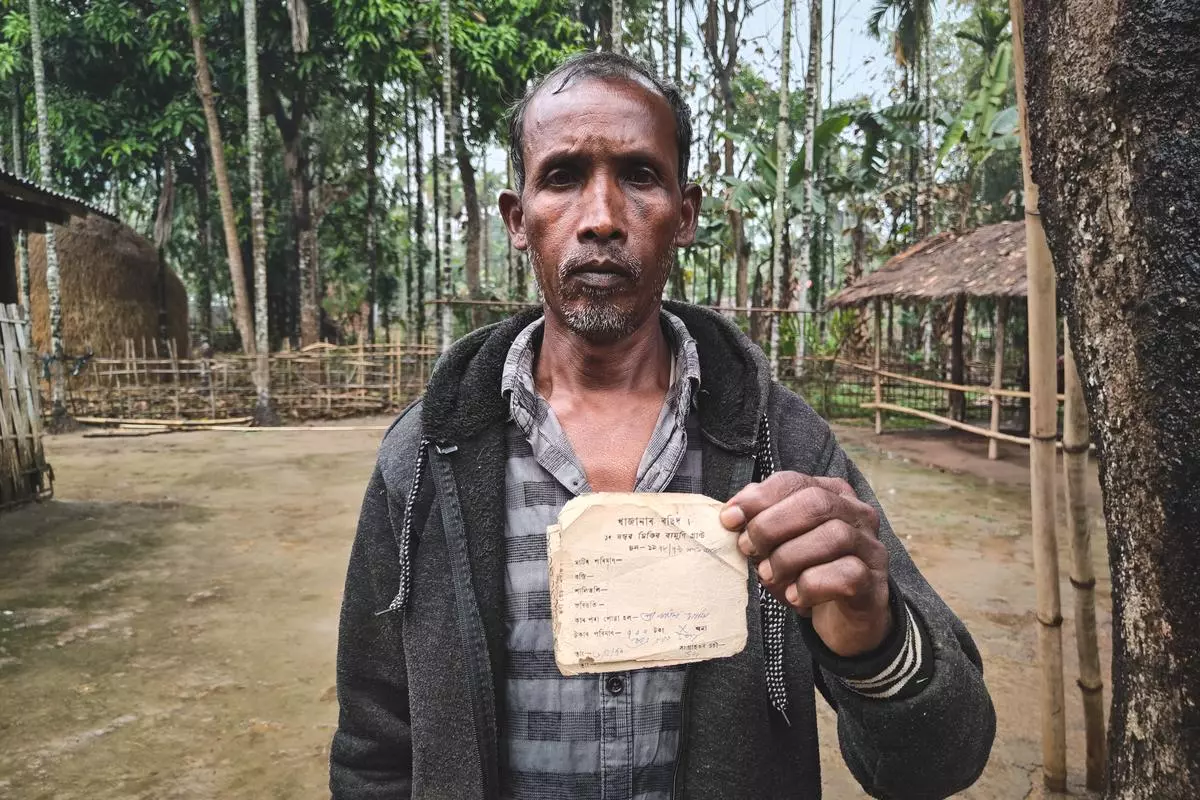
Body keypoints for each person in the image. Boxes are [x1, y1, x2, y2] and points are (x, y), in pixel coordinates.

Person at [330, 52, 995, 800]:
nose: (603, 217)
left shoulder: (785, 447)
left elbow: (942, 762)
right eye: (563, 177)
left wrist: (873, 640)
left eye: (640, 176)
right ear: (519, 220)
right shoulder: (425, 457)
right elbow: (374, 745)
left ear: (685, 214)